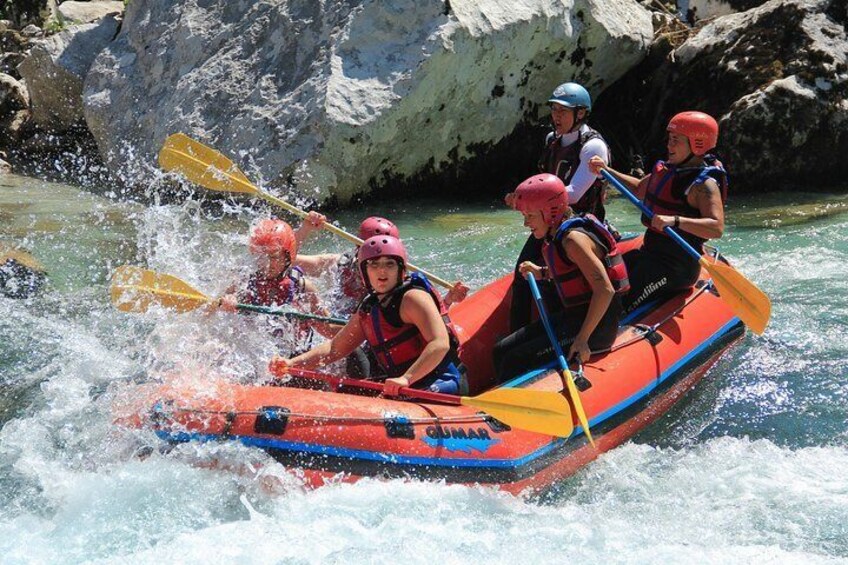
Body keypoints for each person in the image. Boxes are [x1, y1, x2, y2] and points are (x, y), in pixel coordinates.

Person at [269, 235, 465, 396]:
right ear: (364, 272)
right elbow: (333, 348)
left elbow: (439, 343)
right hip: (399, 385)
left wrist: (406, 379)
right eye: (373, 264)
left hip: (439, 381)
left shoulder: (413, 298)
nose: (381, 271)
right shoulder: (368, 308)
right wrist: (290, 364)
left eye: (389, 264)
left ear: (401, 270)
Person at [492, 174, 628, 383]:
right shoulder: (555, 234)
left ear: (549, 213)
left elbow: (605, 289)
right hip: (573, 317)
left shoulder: (573, 240)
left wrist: (582, 340)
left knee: (514, 359)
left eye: (530, 216)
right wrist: (542, 272)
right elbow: (572, 271)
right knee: (501, 350)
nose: (525, 223)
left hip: (595, 328)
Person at [588, 111, 727, 314]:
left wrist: (675, 220)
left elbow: (716, 227)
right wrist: (607, 171)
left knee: (618, 303)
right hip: (650, 254)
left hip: (676, 267)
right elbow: (638, 189)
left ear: (697, 144)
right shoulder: (669, 170)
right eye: (669, 140)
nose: (669, 146)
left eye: (676, 141)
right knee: (606, 277)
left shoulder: (704, 185)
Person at [504, 82, 612, 332]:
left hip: (580, 229)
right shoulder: (552, 139)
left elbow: (572, 196)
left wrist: (527, 200)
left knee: (557, 279)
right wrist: (524, 198)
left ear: (581, 113)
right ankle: (517, 331)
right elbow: (544, 183)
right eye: (554, 109)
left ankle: (564, 332)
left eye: (563, 111)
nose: (556, 116)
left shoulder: (593, 146)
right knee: (522, 275)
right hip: (548, 223)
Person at [294, 212, 469, 314]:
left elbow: (429, 315)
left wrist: (449, 299)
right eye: (373, 259)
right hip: (340, 326)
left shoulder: (399, 277)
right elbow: (287, 260)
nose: (380, 267)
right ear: (358, 247)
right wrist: (305, 229)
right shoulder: (338, 264)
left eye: (387, 261)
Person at [216, 218, 330, 338]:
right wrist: (225, 302)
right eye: (261, 255)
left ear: (287, 257)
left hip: (292, 353)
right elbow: (210, 310)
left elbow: (329, 330)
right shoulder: (243, 280)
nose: (266, 264)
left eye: (273, 257)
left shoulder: (302, 287)